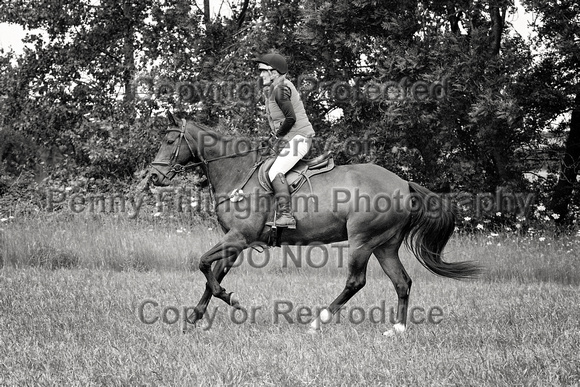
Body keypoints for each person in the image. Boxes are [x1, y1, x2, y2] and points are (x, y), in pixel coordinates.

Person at [254, 53, 315, 228]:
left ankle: (286, 215)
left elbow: (290, 119)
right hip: (292, 139)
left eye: (264, 71)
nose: (261, 75)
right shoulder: (275, 89)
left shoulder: (280, 90)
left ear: (274, 72)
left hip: (300, 139)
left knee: (275, 172)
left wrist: (276, 136)